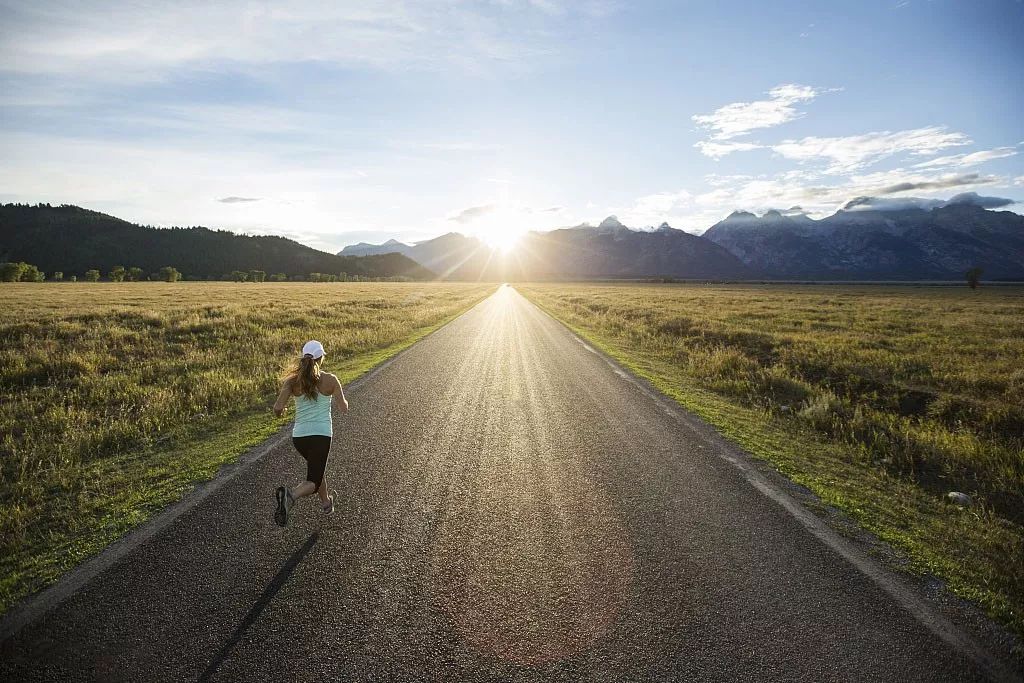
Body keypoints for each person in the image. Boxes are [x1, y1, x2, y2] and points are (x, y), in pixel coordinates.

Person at [272, 339, 348, 526]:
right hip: (321, 436)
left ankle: (326, 503)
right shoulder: (330, 379)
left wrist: (283, 412)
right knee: (313, 482)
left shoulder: (292, 381)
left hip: (299, 438)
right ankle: (290, 495)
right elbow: (343, 408)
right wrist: (342, 402)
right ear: (321, 358)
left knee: (317, 469)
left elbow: (277, 407)